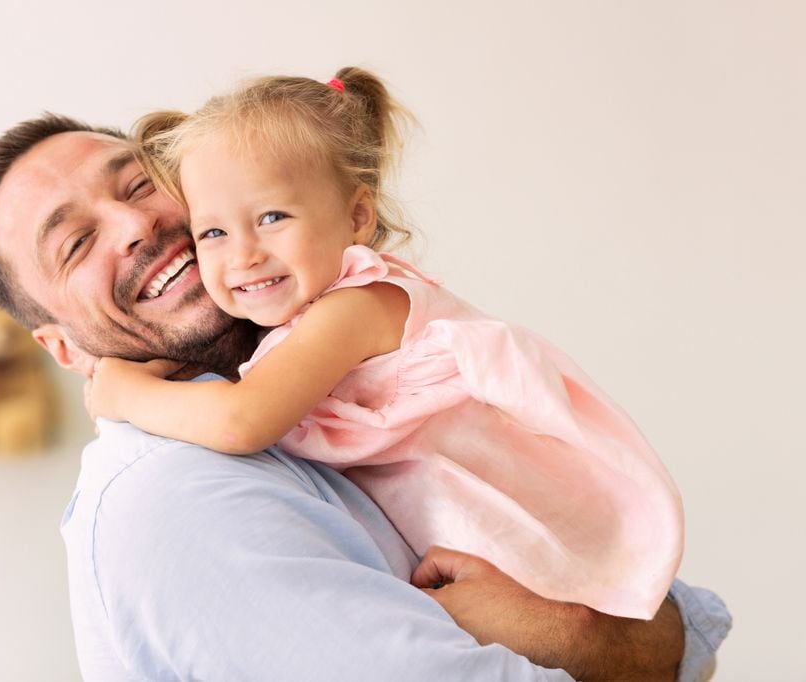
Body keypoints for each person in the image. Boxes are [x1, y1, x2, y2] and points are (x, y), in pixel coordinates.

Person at [0, 107, 731, 681]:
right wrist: (594, 638)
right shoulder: (176, 498)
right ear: (66, 351)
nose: (135, 223)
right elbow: (662, 644)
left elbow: (665, 625)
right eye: (74, 244)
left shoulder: (332, 404)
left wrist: (568, 632)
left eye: (141, 184)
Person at [85, 68, 682, 621]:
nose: (243, 254)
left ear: (357, 218)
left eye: (271, 217)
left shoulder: (357, 305)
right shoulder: (311, 316)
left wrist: (122, 391)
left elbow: (243, 420)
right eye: (212, 231)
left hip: (510, 526)